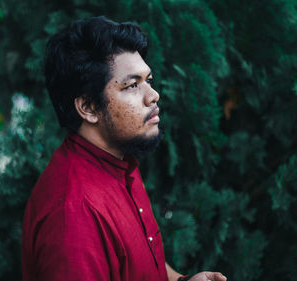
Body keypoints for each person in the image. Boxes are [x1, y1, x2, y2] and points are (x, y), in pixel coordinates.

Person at [21, 16, 227, 281]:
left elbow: (138, 265)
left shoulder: (118, 160)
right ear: (88, 108)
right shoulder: (74, 216)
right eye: (131, 86)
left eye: (148, 80)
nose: (153, 95)